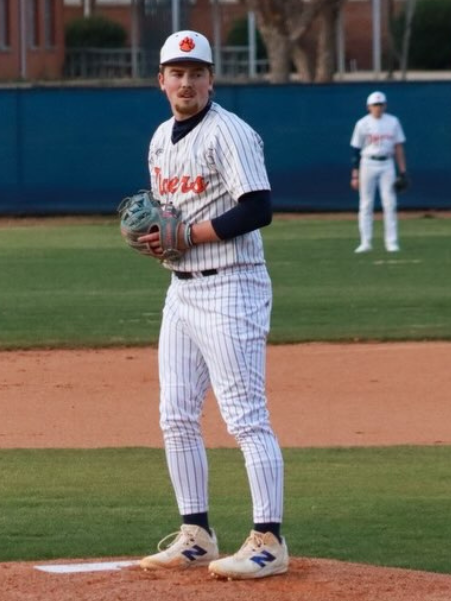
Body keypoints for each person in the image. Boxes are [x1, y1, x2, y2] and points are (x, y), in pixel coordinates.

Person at [135, 30, 288, 580]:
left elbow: (259, 208)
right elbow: (170, 215)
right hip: (182, 290)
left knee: (246, 418)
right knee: (175, 414)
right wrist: (158, 237)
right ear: (162, 80)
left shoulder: (230, 132)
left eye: (197, 72)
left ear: (210, 79)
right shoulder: (159, 138)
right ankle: (195, 533)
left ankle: (269, 540)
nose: (187, 82)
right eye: (177, 73)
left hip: (232, 285)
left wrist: (189, 235)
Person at [349, 90, 407, 253]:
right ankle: (365, 242)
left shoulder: (393, 122)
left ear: (385, 105)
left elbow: (398, 147)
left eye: (381, 104)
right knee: (366, 204)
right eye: (375, 105)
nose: (378, 108)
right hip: (367, 163)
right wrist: (355, 174)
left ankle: (391, 242)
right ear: (369, 107)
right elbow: (355, 149)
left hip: (387, 163)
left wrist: (402, 171)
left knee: (390, 203)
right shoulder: (362, 123)